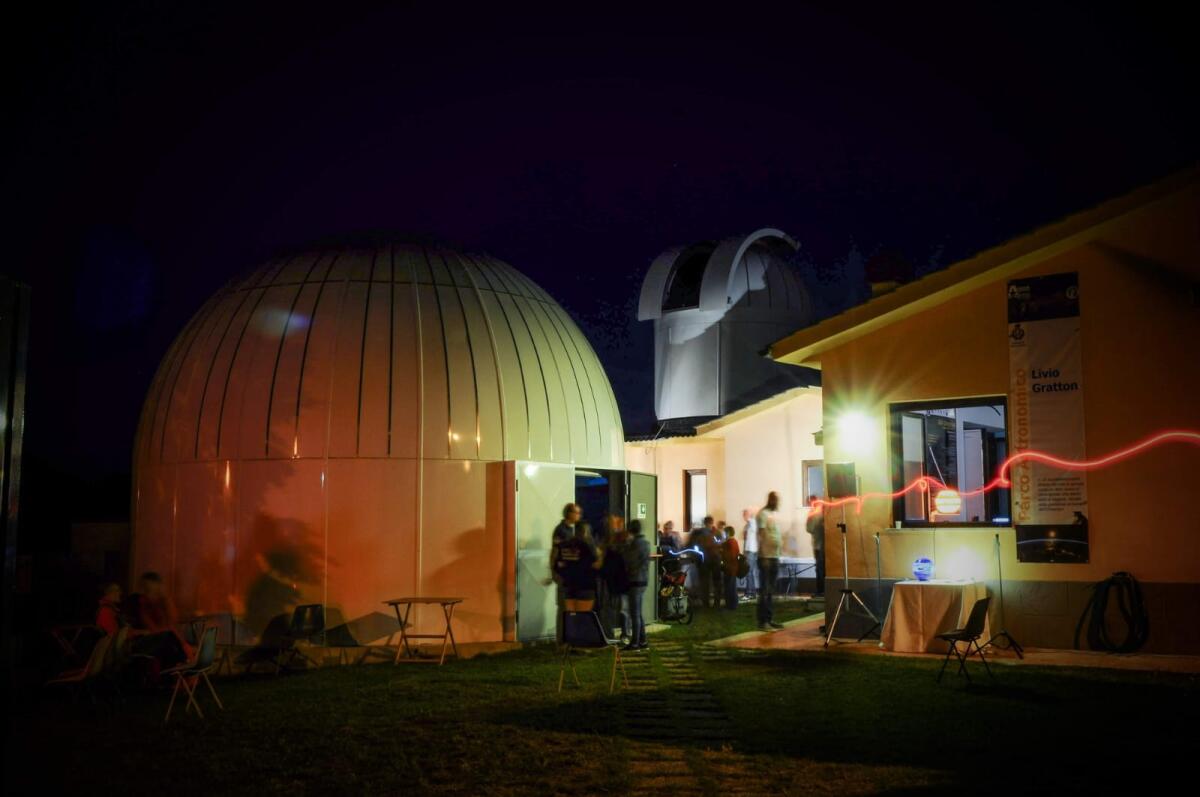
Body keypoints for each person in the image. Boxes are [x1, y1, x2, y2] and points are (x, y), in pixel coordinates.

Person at [553, 522, 603, 611]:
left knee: (572, 618)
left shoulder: (565, 545)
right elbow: (596, 565)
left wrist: (565, 575)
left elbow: (558, 565)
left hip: (569, 586)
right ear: (585, 532)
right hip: (585, 586)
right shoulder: (587, 546)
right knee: (582, 619)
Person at [550, 503, 581, 641]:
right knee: (563, 608)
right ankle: (562, 641)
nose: (578, 516)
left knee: (570, 608)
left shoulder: (570, 530)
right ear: (569, 513)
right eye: (576, 513)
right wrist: (554, 572)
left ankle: (570, 639)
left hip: (571, 575)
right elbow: (555, 552)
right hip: (563, 575)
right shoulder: (561, 530)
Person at [621, 520, 652, 650]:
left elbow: (630, 561)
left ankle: (635, 642)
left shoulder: (634, 545)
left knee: (635, 614)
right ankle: (643, 641)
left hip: (635, 580)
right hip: (643, 579)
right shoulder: (646, 543)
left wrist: (625, 547)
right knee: (637, 613)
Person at [756, 492, 784, 630]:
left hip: (774, 556)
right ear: (770, 500)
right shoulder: (763, 514)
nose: (777, 502)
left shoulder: (774, 515)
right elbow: (761, 534)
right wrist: (763, 554)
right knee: (765, 590)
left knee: (771, 590)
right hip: (766, 557)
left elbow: (776, 534)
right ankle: (763, 622)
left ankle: (769, 618)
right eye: (775, 500)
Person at [689, 516, 723, 609]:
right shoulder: (716, 533)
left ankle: (706, 603)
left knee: (705, 582)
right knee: (715, 582)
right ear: (712, 522)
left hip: (704, 560)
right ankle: (716, 603)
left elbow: (694, 545)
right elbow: (721, 545)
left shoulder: (699, 533)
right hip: (714, 559)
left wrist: (694, 557)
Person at [805, 496, 826, 596]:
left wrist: (810, 517)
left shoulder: (814, 513)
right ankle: (824, 590)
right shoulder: (825, 510)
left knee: (820, 568)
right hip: (825, 545)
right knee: (822, 568)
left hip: (818, 545)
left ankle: (820, 591)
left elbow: (809, 529)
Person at [720, 525, 740, 611]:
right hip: (731, 568)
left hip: (730, 568)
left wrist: (722, 552)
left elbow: (731, 556)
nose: (723, 534)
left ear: (728, 533)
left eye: (724, 533)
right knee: (730, 587)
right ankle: (732, 605)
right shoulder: (733, 541)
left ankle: (731, 606)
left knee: (730, 588)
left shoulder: (730, 542)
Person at [741, 508, 759, 599]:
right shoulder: (747, 525)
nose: (743, 516)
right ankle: (752, 592)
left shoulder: (753, 523)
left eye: (745, 514)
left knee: (749, 572)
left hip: (752, 551)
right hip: (749, 551)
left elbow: (751, 520)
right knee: (749, 572)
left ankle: (749, 593)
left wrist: (749, 514)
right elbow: (745, 540)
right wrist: (744, 552)